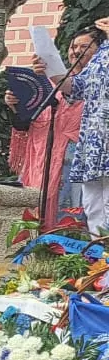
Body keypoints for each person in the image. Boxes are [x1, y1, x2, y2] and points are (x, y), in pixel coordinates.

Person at [7, 31, 99, 227]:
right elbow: (25, 123)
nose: (77, 51)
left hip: (74, 161)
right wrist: (16, 104)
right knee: (34, 210)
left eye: (84, 47)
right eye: (73, 47)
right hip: (41, 157)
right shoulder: (47, 84)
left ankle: (70, 249)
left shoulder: (96, 83)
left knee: (72, 214)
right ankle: (37, 248)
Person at [63, 17, 109, 233]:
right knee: (93, 209)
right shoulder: (96, 62)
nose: (78, 51)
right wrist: (50, 66)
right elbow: (75, 87)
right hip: (92, 146)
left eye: (84, 46)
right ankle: (101, 264)